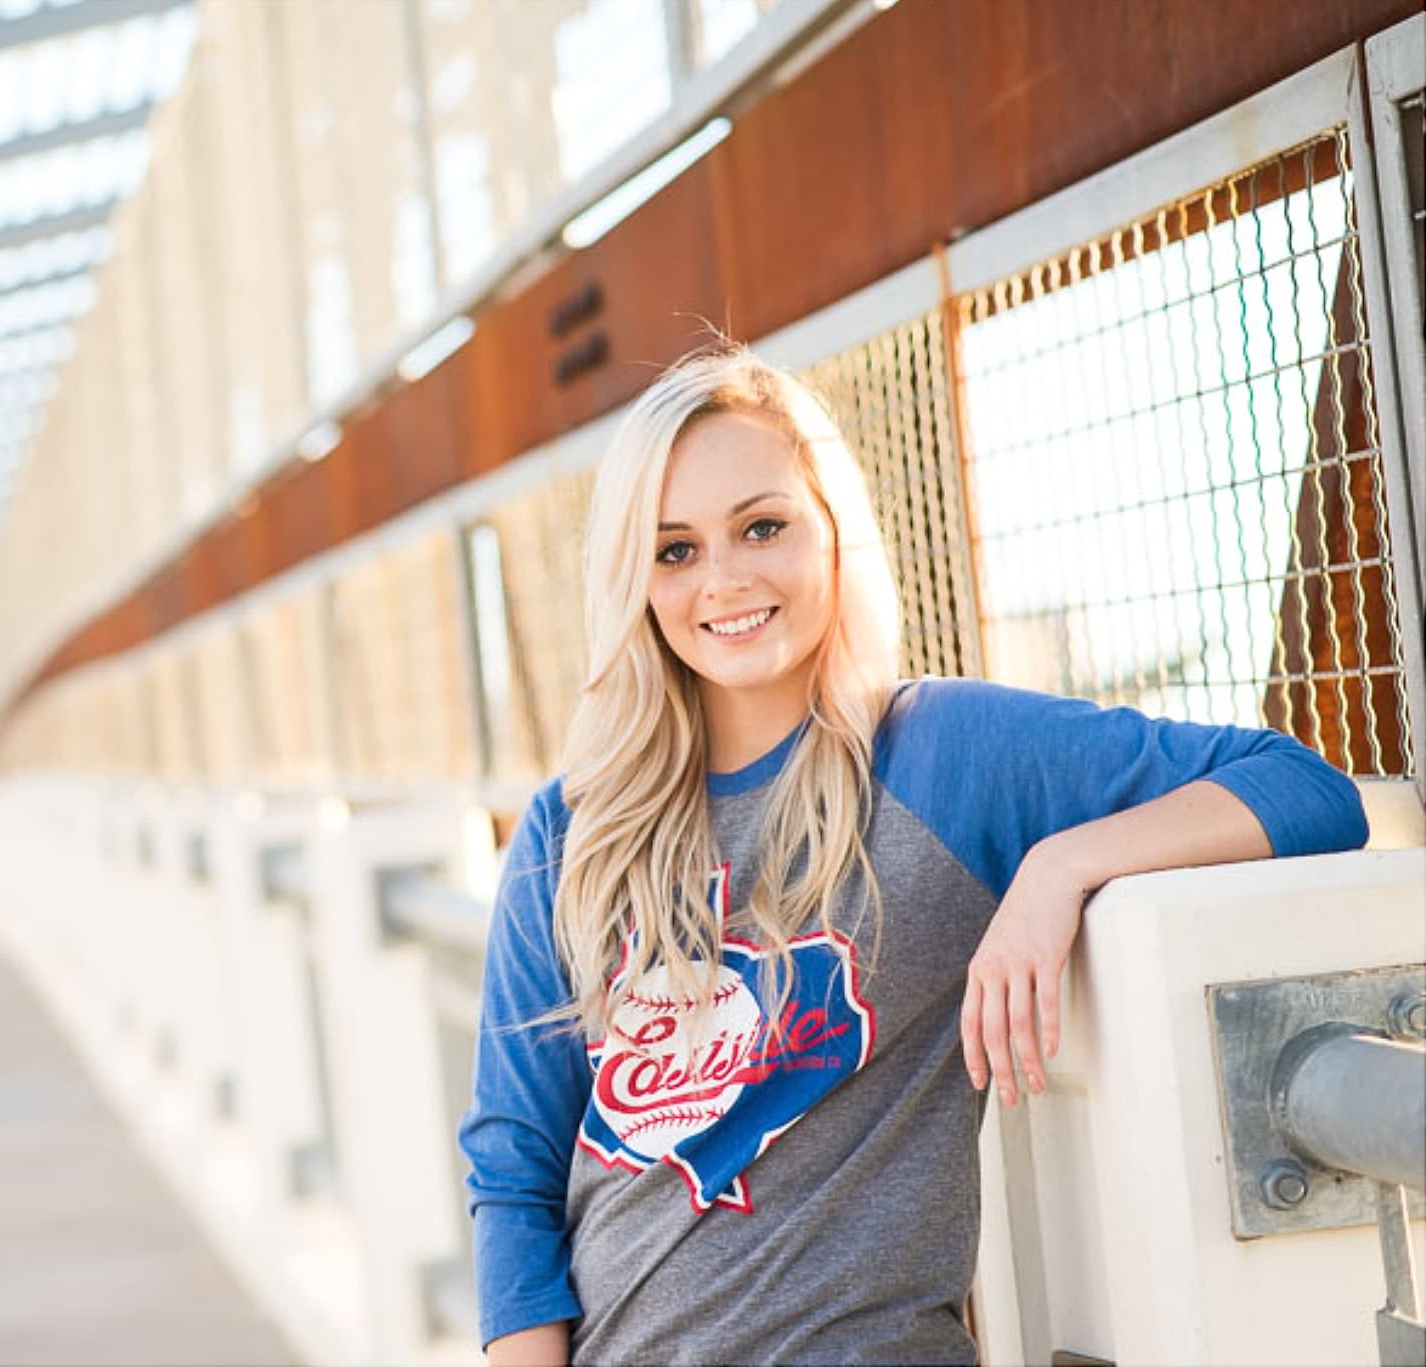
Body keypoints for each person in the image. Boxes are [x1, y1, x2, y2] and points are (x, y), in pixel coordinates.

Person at [457, 342, 1369, 1366]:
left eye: (761, 526)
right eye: (674, 550)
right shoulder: (574, 828)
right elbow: (514, 1166)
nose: (723, 579)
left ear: (831, 531)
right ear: (634, 579)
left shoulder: (940, 753)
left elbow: (1304, 791)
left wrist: (1055, 866)